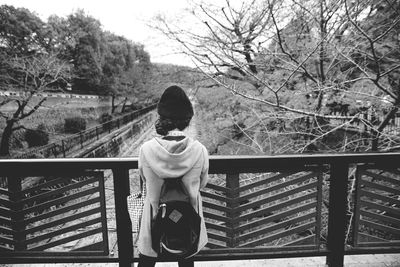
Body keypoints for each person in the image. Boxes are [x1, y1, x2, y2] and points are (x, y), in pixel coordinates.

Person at [137, 85, 209, 267]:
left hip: (155, 216)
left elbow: (144, 180)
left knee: (147, 258)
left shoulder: (146, 150)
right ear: (187, 120)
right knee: (186, 255)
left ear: (162, 118)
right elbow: (202, 184)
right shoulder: (200, 150)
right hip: (189, 215)